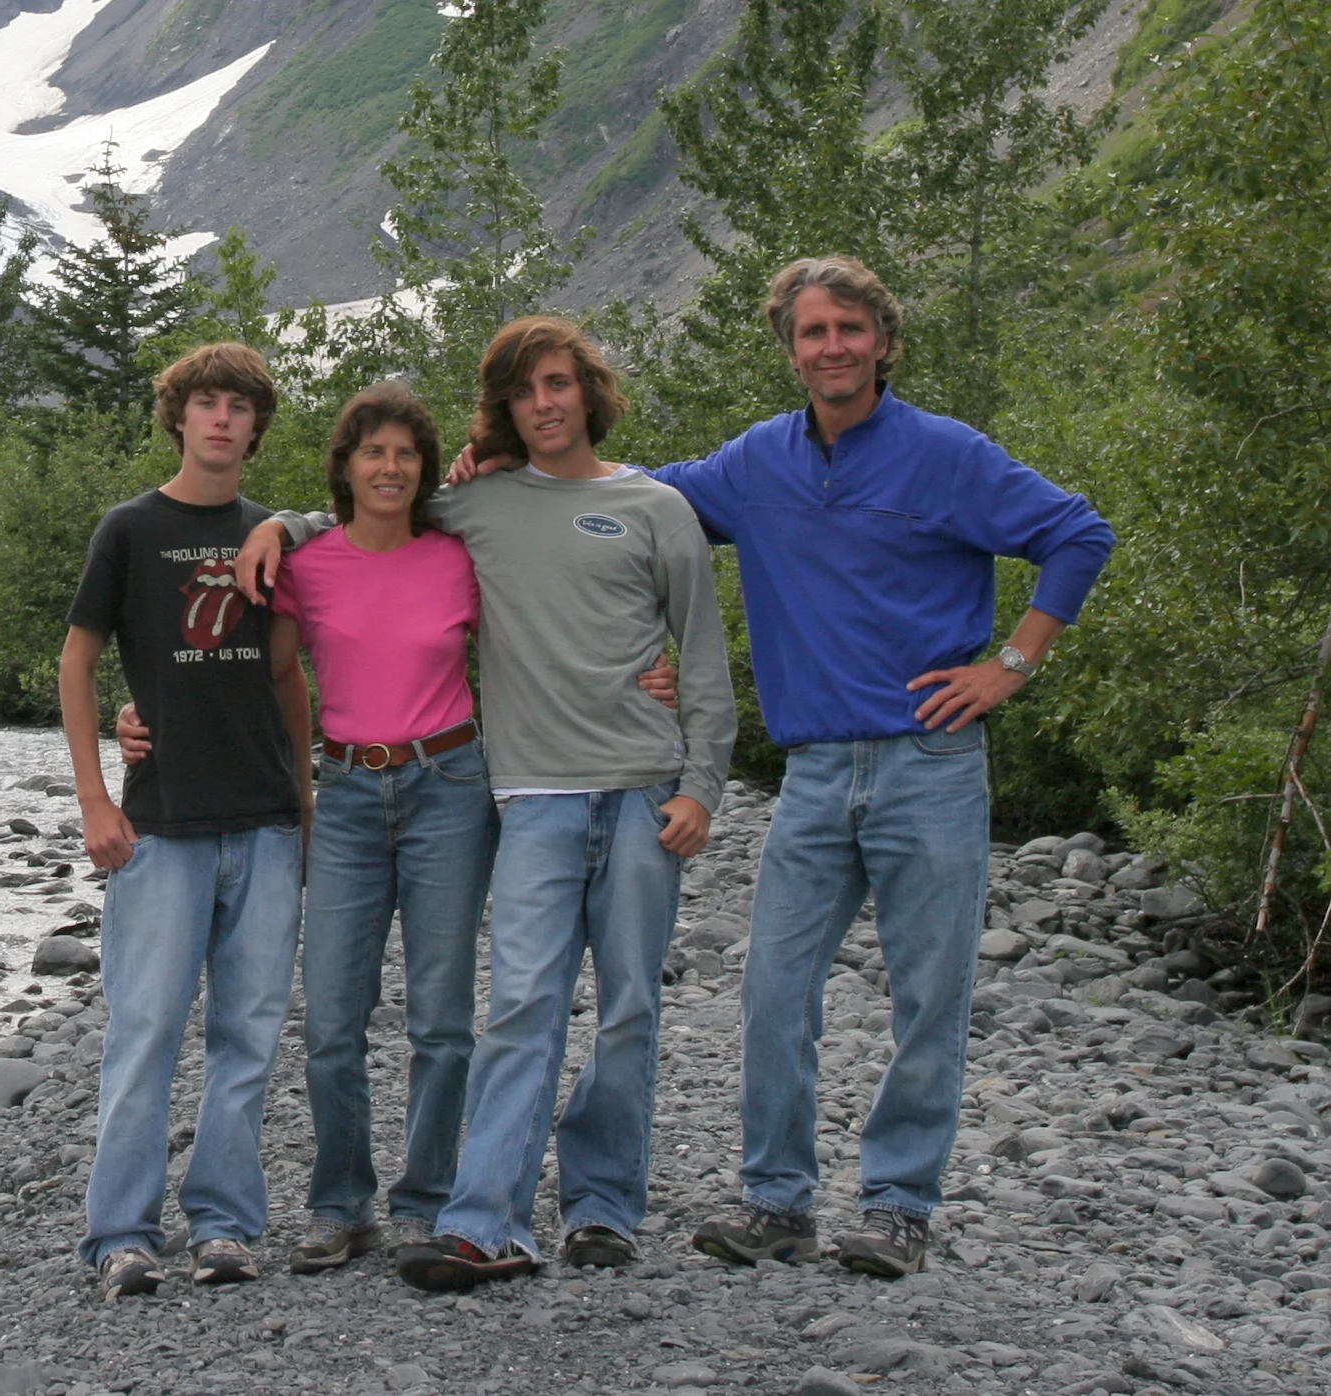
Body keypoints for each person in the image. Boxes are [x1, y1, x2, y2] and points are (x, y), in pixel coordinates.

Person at [451, 257, 1116, 1277]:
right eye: (811, 332)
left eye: (849, 327)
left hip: (926, 762)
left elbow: (1076, 533)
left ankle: (897, 1202)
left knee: (927, 992)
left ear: (883, 341)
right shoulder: (760, 463)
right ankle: (777, 1199)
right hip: (811, 770)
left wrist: (1008, 667)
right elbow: (630, 508)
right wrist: (507, 474)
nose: (831, 346)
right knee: (772, 989)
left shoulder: (947, 455)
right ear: (790, 349)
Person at [236, 317, 737, 1291]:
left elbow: (704, 657)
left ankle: (602, 1206)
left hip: (641, 790)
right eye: (522, 392)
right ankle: (486, 1219)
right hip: (529, 799)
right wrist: (280, 525)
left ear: (587, 390)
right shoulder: (476, 506)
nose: (543, 404)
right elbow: (371, 518)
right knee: (519, 1008)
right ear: (504, 409)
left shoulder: (657, 508)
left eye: (557, 384)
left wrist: (702, 790)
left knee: (629, 1008)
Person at [123, 383, 498, 1272]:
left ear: (423, 467)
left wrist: (644, 677)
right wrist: (138, 720)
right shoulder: (307, 562)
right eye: (373, 451)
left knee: (441, 1019)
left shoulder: (460, 553)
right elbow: (252, 669)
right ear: (346, 465)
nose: (391, 467)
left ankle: (426, 1200)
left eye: (407, 452)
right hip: (347, 796)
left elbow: (542, 627)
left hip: (450, 785)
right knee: (333, 1018)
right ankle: (341, 1204)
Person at [59, 342, 314, 1300]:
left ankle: (225, 1226)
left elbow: (287, 673)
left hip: (263, 823)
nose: (220, 419)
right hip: (161, 827)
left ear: (256, 424)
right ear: (179, 417)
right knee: (145, 1031)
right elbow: (78, 662)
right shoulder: (129, 529)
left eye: (238, 407)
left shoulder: (272, 534)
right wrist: (93, 798)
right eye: (205, 403)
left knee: (248, 1037)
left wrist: (306, 803)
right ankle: (121, 1233)